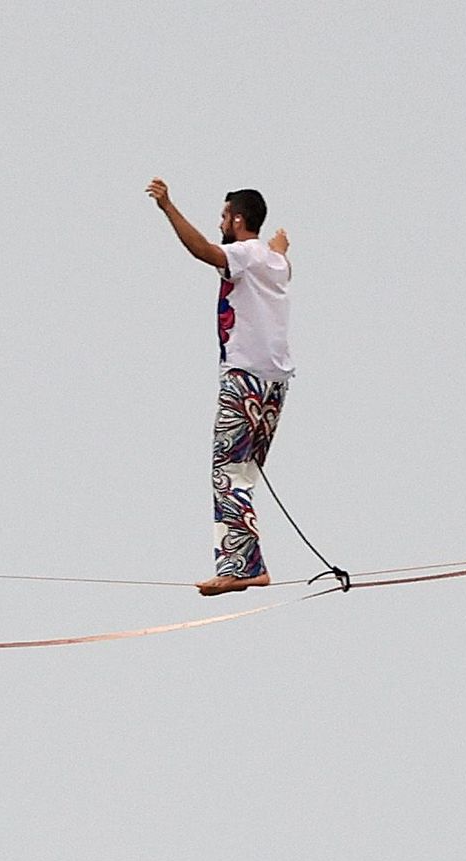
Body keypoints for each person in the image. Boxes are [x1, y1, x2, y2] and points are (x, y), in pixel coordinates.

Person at [145, 179, 294, 592]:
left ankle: (241, 568)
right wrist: (280, 244)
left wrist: (168, 208)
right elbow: (282, 259)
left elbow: (203, 251)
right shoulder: (274, 261)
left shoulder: (243, 255)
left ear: (239, 220)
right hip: (275, 387)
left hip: (245, 380)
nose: (221, 223)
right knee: (242, 474)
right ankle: (249, 565)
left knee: (227, 472)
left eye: (225, 216)